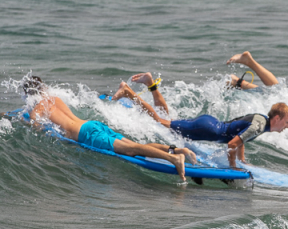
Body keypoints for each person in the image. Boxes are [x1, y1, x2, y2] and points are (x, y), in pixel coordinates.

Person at [23, 76, 196, 182]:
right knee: (134, 145)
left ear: (29, 94)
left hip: (86, 134)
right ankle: (178, 150)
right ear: (43, 88)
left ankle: (174, 159)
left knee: (131, 150)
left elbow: (35, 126)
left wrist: (26, 121)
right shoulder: (55, 98)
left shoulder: (38, 107)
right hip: (92, 124)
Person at [110, 72, 288, 168]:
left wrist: (242, 160)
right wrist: (233, 167)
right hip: (208, 130)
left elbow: (241, 138)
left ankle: (150, 83)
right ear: (276, 118)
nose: (287, 126)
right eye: (286, 122)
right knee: (159, 121)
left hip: (210, 124)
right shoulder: (260, 126)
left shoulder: (261, 122)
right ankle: (128, 92)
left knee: (166, 120)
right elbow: (232, 144)